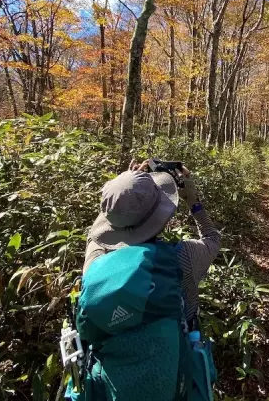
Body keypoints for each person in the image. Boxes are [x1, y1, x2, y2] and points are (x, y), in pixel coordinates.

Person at [75, 160, 221, 400]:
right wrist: (193, 200)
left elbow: (95, 236)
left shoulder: (95, 266)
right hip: (174, 382)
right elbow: (212, 239)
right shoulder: (182, 258)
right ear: (161, 214)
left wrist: (122, 193)